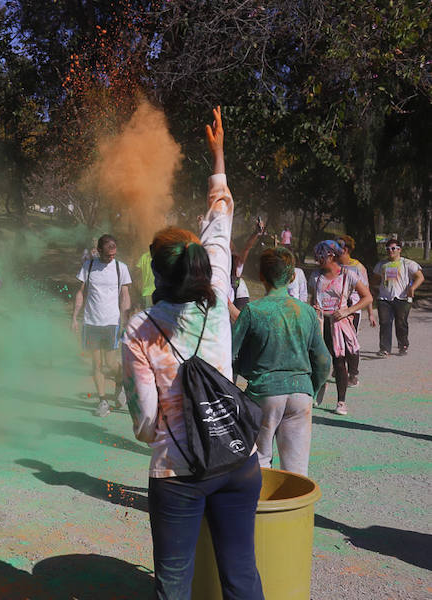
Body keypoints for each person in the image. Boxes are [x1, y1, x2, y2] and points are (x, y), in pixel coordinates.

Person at [122, 106, 263, 599]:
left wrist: (162, 433)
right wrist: (218, 153)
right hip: (238, 460)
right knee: (241, 576)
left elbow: (144, 422)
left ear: (155, 274)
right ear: (202, 268)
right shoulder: (219, 297)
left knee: (174, 585)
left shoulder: (139, 331)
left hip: (178, 474)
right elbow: (221, 216)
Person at [232, 247, 332, 476]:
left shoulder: (252, 311)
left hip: (263, 394)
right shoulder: (306, 312)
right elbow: (323, 361)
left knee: (259, 462)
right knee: (296, 471)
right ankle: (295, 510)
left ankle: (260, 510)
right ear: (292, 276)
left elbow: (230, 355)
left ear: (260, 276)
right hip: (301, 394)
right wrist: (311, 390)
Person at [308, 240, 372, 415]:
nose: (317, 259)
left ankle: (341, 401)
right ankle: (317, 389)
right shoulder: (315, 276)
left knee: (339, 362)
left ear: (331, 255)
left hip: (339, 325)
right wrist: (313, 307)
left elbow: (367, 297)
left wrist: (348, 310)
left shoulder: (348, 275)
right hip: (320, 323)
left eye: (320, 255)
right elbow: (313, 298)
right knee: (317, 359)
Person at [72, 234, 133, 417]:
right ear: (99, 251)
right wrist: (74, 317)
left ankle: (120, 383)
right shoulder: (88, 266)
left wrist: (125, 318)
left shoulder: (120, 268)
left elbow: (125, 295)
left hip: (112, 323)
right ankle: (103, 401)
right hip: (91, 322)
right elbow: (80, 292)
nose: (111, 258)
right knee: (96, 364)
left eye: (114, 254)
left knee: (111, 364)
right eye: (108, 255)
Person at [372, 238, 424, 356]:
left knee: (401, 323)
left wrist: (412, 288)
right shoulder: (381, 264)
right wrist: (375, 290)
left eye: (393, 248)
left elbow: (420, 277)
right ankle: (384, 349)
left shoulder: (407, 263)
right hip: (384, 299)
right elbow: (374, 280)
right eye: (388, 249)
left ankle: (403, 345)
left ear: (399, 249)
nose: (391, 251)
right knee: (385, 322)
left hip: (402, 298)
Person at [336, 234, 376, 386]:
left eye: (337, 246)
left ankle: (353, 374)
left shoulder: (358, 267)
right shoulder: (335, 265)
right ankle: (340, 367)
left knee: (350, 342)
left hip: (353, 310)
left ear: (345, 249)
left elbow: (366, 293)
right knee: (336, 342)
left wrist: (371, 313)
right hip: (337, 309)